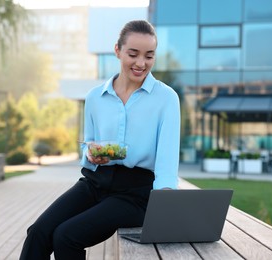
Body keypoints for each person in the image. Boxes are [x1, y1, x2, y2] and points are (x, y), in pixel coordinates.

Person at [19, 19, 180, 260]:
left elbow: (167, 163)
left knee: (66, 236)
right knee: (38, 232)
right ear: (118, 50)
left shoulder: (166, 98)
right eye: (133, 54)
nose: (141, 63)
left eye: (149, 56)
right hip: (95, 182)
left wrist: (164, 211)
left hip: (136, 194)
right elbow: (89, 147)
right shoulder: (95, 97)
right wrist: (91, 154)